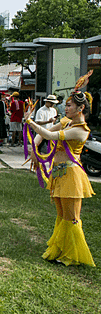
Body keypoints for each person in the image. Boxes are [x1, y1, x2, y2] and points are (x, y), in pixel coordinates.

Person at [24, 80, 95, 267]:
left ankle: (73, 254)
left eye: (69, 105)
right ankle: (61, 250)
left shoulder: (80, 131)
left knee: (72, 217)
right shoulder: (66, 122)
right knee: (62, 214)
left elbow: (51, 136)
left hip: (71, 175)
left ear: (80, 108)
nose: (66, 107)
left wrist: (30, 122)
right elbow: (44, 133)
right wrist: (34, 147)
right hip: (58, 174)